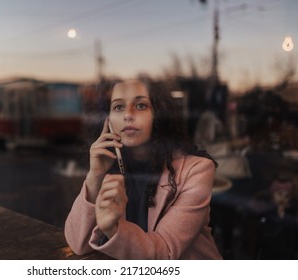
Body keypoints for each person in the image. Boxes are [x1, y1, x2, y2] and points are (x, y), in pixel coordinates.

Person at [64, 79, 222, 259]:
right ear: (106, 120)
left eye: (140, 105)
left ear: (159, 114)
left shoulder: (197, 170)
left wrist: (114, 229)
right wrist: (95, 176)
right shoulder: (110, 164)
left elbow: (166, 254)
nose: (128, 115)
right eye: (118, 107)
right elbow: (78, 243)